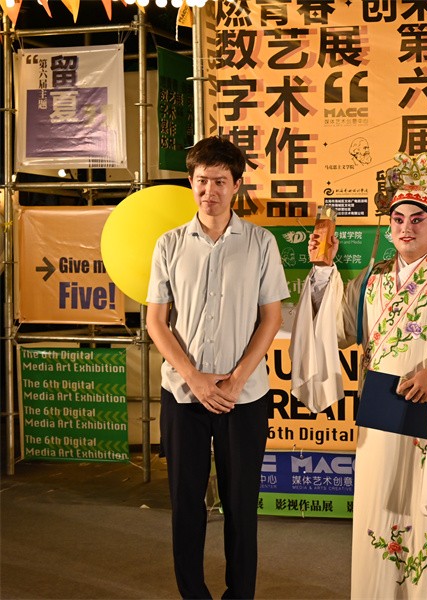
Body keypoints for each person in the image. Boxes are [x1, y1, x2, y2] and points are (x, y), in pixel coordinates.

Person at [290, 153, 427, 599]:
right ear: (388, 227)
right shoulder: (372, 279)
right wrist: (323, 270)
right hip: (380, 422)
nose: (406, 228)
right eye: (398, 219)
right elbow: (337, 329)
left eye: (417, 219)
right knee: (380, 514)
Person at [146, 136, 289, 599]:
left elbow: (271, 318)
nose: (210, 191)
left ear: (237, 186)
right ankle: (193, 593)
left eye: (220, 182)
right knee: (186, 504)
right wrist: (194, 378)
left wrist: (236, 379)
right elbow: (156, 321)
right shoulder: (169, 244)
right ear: (191, 182)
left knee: (241, 505)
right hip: (183, 395)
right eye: (202, 181)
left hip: (243, 397)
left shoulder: (260, 243)